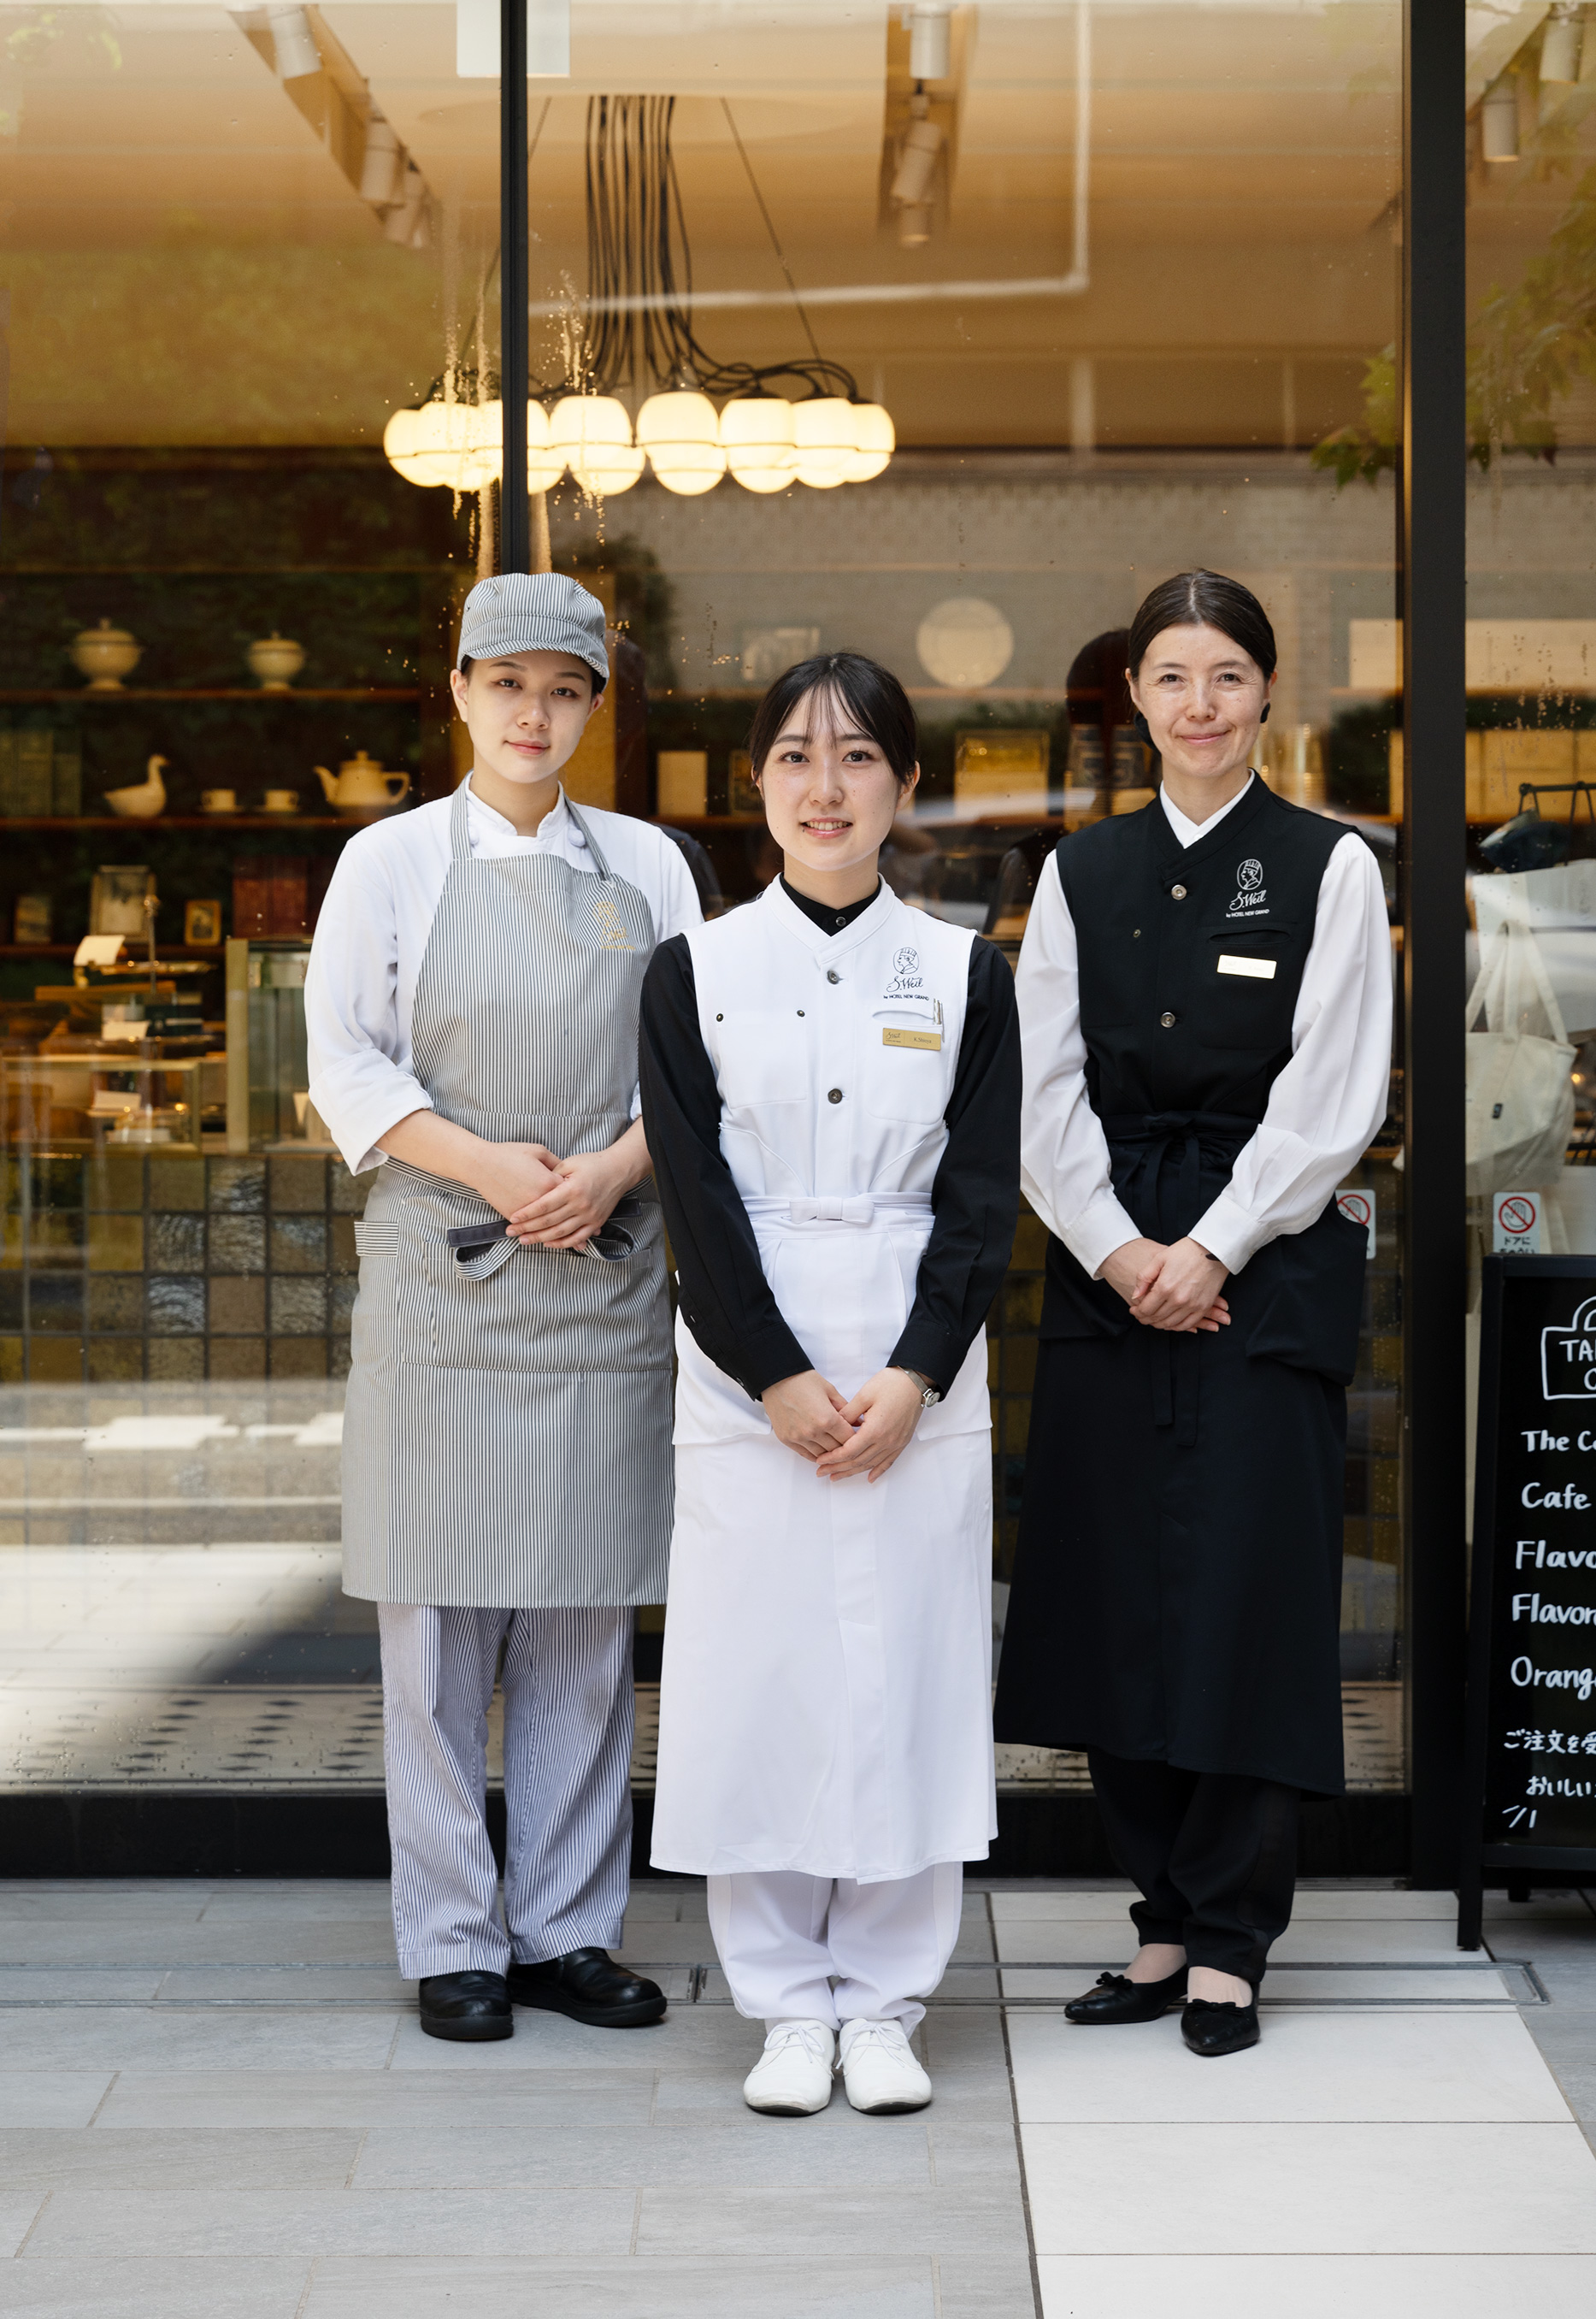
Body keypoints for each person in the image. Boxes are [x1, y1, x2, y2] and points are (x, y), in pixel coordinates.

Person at [993, 569, 1393, 2057]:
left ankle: (1231, 1940)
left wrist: (1212, 1247)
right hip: (1108, 1260)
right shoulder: (1079, 872)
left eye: (1228, 674)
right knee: (1113, 1594)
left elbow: (1336, 1092)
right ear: (1136, 699)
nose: (1201, 703)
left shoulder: (1330, 865)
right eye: (1173, 676)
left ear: (1268, 691)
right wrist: (1117, 1251)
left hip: (1265, 1256)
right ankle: (1159, 1918)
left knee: (1244, 1594)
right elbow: (1039, 1088)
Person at [306, 571, 701, 2043]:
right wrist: (491, 1168)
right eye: (509, 684)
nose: (535, 714)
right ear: (462, 690)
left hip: (601, 1273)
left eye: (565, 690)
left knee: (585, 1630)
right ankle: (454, 1939)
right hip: (447, 1285)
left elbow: (698, 1063)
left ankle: (567, 1928)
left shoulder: (650, 866)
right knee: (434, 1640)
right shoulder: (390, 862)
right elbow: (346, 1063)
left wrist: (607, 1174)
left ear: (596, 707)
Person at [639, 652, 1020, 2117]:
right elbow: (694, 1198)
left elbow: (981, 1198)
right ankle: (788, 2008)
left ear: (905, 785)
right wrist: (776, 1377)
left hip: (921, 1356)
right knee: (763, 1674)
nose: (825, 787)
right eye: (795, 757)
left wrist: (919, 1372)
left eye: (858, 757)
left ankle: (890, 2002)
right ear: (757, 784)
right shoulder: (695, 970)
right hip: (752, 1365)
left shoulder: (966, 971)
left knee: (912, 1670)